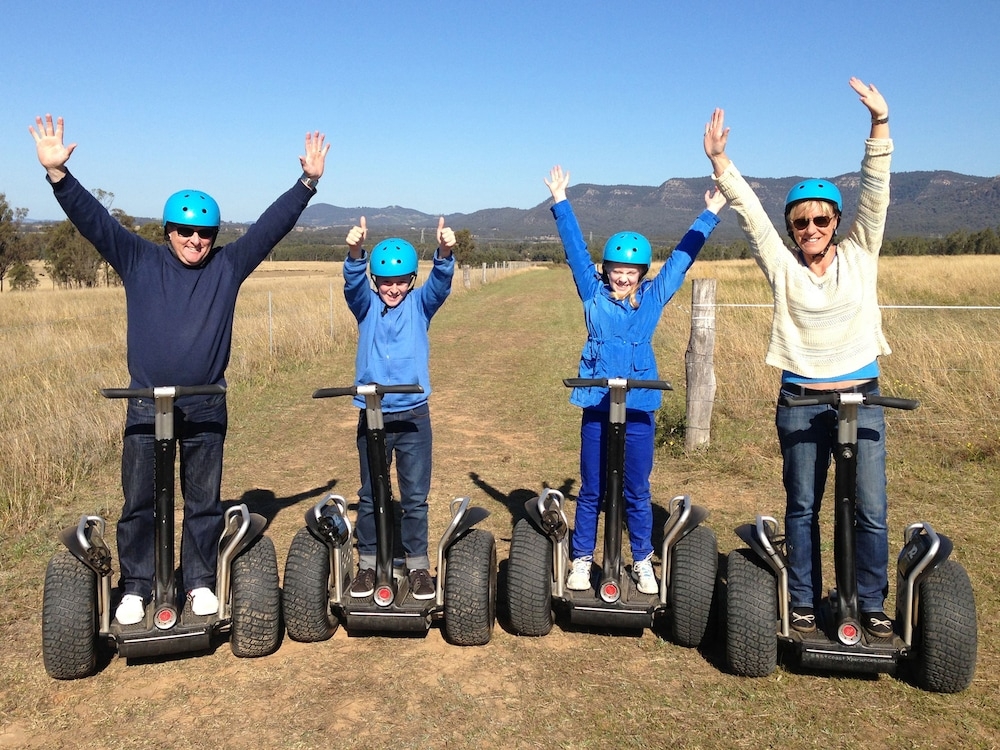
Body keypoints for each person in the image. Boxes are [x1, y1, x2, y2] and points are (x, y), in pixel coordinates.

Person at [30, 114, 329, 625]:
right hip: (145, 404)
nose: (196, 240)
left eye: (205, 231)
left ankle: (199, 583)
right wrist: (59, 176)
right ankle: (138, 585)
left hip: (205, 402)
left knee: (203, 502)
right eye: (186, 230)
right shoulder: (138, 260)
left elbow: (269, 228)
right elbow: (95, 221)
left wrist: (308, 183)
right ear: (169, 231)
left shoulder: (228, 268)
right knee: (139, 501)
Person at [703, 77, 894, 638]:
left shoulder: (860, 254)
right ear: (792, 228)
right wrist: (721, 162)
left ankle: (871, 602)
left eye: (821, 219)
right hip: (802, 399)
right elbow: (750, 214)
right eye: (800, 222)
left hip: (863, 397)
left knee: (870, 509)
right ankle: (805, 601)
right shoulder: (782, 266)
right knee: (804, 506)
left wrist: (878, 126)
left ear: (837, 223)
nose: (810, 229)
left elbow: (876, 191)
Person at [544, 165, 725, 594]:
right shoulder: (592, 294)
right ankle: (582, 559)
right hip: (597, 402)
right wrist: (560, 201)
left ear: (642, 273)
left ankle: (642, 559)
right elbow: (573, 250)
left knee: (636, 489)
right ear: (605, 269)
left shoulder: (654, 299)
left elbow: (681, 260)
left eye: (631, 271)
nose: (622, 277)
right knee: (591, 488)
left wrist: (710, 214)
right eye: (615, 269)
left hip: (639, 404)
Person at [342, 215, 456, 600]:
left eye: (400, 281)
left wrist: (444, 253)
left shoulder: (420, 306)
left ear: (411, 280)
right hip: (372, 413)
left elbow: (439, 286)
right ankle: (369, 564)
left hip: (413, 415)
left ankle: (418, 566)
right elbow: (353, 284)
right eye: (386, 281)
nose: (393, 289)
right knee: (372, 492)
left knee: (413, 496)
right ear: (376, 282)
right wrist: (356, 253)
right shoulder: (366, 306)